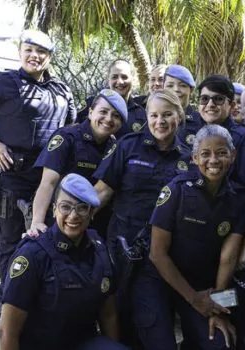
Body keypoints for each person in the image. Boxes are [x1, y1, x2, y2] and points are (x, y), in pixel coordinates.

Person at [0, 29, 76, 300]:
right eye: (29, 50)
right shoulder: (6, 82)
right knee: (10, 243)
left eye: (41, 52)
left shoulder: (61, 89)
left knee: (49, 239)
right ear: (20, 51)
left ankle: (41, 298)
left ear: (49, 56)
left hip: (47, 178)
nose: (35, 56)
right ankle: (11, 301)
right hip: (11, 176)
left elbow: (70, 130)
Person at [131, 124, 245, 349]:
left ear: (232, 156)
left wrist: (218, 308)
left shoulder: (239, 198)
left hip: (202, 283)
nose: (213, 160)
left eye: (222, 153)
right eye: (205, 154)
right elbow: (157, 254)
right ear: (194, 158)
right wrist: (195, 300)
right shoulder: (177, 190)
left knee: (223, 342)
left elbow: (229, 258)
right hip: (159, 279)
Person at [93, 89, 192, 346]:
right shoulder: (128, 146)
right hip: (126, 251)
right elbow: (101, 193)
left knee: (158, 326)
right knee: (127, 324)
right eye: (154, 115)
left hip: (171, 255)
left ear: (179, 116)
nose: (160, 121)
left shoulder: (191, 156)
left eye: (167, 115)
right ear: (147, 117)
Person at [0, 174, 127, 350]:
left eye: (81, 208)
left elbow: (108, 314)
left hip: (80, 342)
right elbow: (6, 332)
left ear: (91, 213)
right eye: (65, 207)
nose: (73, 216)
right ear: (54, 209)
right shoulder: (32, 254)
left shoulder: (98, 250)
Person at [28, 89, 127, 238]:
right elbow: (48, 182)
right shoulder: (67, 137)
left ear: (120, 124)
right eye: (103, 112)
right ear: (90, 112)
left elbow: (105, 191)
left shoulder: (115, 148)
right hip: (59, 219)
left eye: (116, 116)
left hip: (91, 223)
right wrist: (37, 223)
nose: (108, 119)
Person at [197, 75, 245, 269]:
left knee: (224, 297)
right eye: (204, 99)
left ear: (231, 105)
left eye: (218, 99)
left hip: (231, 235)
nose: (210, 104)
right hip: (198, 233)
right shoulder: (194, 135)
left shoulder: (242, 139)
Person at [163, 64, 205, 146]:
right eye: (170, 85)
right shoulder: (152, 120)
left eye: (182, 85)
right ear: (163, 88)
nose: (176, 90)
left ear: (191, 90)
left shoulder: (201, 122)